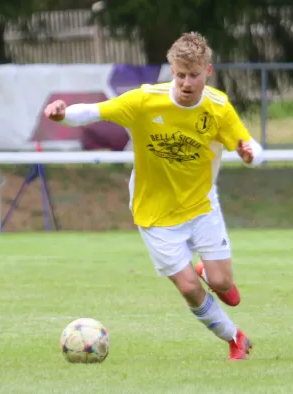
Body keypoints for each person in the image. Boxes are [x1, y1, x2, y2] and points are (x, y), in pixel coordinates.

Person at [44, 32, 264, 361]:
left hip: (201, 206)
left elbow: (251, 147)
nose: (186, 82)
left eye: (193, 75)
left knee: (223, 283)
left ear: (208, 71)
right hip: (155, 212)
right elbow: (93, 112)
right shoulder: (145, 101)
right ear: (171, 71)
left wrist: (250, 155)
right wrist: (62, 114)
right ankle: (234, 337)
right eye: (179, 75)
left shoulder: (217, 106)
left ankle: (211, 274)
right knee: (188, 287)